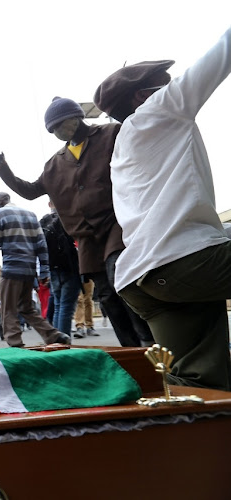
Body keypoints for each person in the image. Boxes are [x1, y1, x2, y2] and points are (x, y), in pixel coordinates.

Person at [93, 26, 231, 390]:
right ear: (142, 95)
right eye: (165, 84)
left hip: (142, 279)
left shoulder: (123, 143)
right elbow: (221, 53)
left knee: (199, 379)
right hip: (185, 260)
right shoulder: (160, 109)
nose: (173, 88)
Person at [0, 97, 153, 348]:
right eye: (52, 129)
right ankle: (130, 348)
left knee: (120, 278)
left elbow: (142, 160)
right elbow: (32, 190)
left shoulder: (110, 134)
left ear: (75, 118)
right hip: (86, 236)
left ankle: (148, 340)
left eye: (60, 125)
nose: (57, 132)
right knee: (107, 295)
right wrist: (4, 171)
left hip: (116, 223)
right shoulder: (55, 163)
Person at [0, 192, 70, 348]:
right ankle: (54, 335)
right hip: (29, 270)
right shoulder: (31, 215)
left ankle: (15, 343)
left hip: (12, 269)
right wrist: (44, 270)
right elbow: (41, 244)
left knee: (8, 308)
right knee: (26, 308)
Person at [40, 202, 80, 336]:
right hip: (69, 267)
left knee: (58, 306)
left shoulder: (45, 220)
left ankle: (57, 341)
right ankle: (63, 343)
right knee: (66, 307)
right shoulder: (68, 218)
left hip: (53, 268)